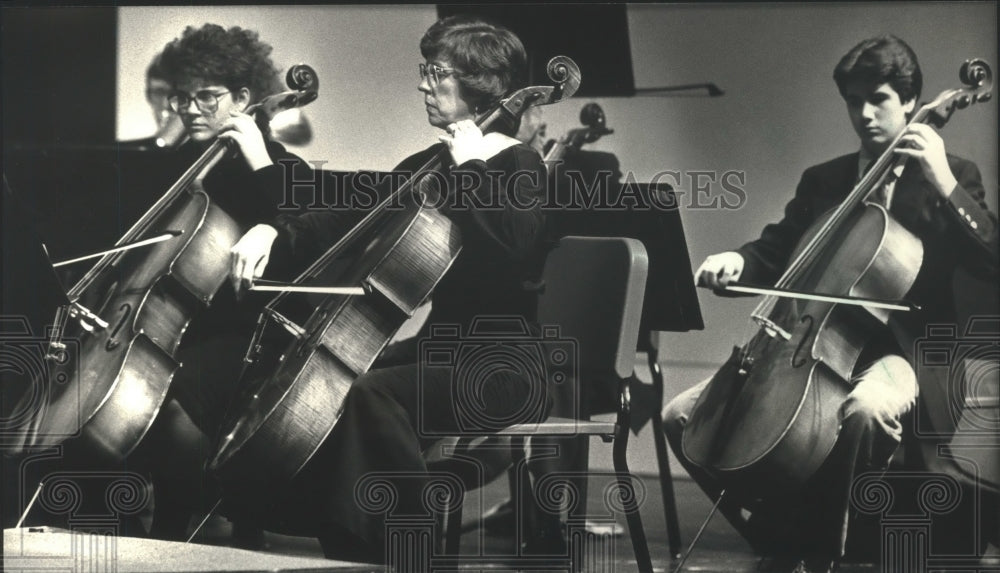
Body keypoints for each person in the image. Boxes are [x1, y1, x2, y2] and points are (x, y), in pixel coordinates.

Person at [662, 35, 997, 572]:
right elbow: (777, 248)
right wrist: (736, 261)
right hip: (808, 349)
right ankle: (778, 536)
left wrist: (944, 180)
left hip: (903, 354)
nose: (865, 114)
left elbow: (990, 260)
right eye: (853, 101)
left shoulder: (951, 175)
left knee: (865, 411)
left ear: (911, 101)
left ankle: (819, 557)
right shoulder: (825, 180)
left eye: (879, 99)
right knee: (680, 417)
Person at [226, 16, 551, 562]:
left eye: (437, 73)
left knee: (373, 393)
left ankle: (411, 553)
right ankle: (352, 548)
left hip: (504, 366)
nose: (423, 84)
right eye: (426, 71)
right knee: (339, 384)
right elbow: (343, 215)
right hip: (437, 355)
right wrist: (273, 230)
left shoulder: (519, 162)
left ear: (482, 83)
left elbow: (515, 245)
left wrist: (473, 165)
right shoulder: (428, 164)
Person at [131, 23, 311, 543]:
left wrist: (269, 215)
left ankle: (173, 529)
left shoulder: (282, 166)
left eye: (206, 97)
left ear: (243, 99)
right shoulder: (181, 168)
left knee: (172, 390)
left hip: (253, 332)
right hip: (181, 322)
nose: (190, 109)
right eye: (182, 97)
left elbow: (309, 239)